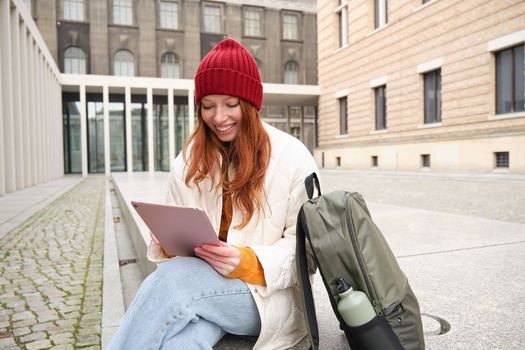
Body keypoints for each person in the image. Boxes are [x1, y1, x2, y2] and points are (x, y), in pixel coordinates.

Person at [108, 38, 319, 350]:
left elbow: (307, 253)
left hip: (268, 298)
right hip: (204, 287)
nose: (219, 117)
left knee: (175, 283)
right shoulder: (188, 161)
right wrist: (167, 242)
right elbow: (175, 250)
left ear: (250, 104)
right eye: (208, 106)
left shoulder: (293, 156)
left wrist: (245, 261)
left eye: (231, 104)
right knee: (180, 343)